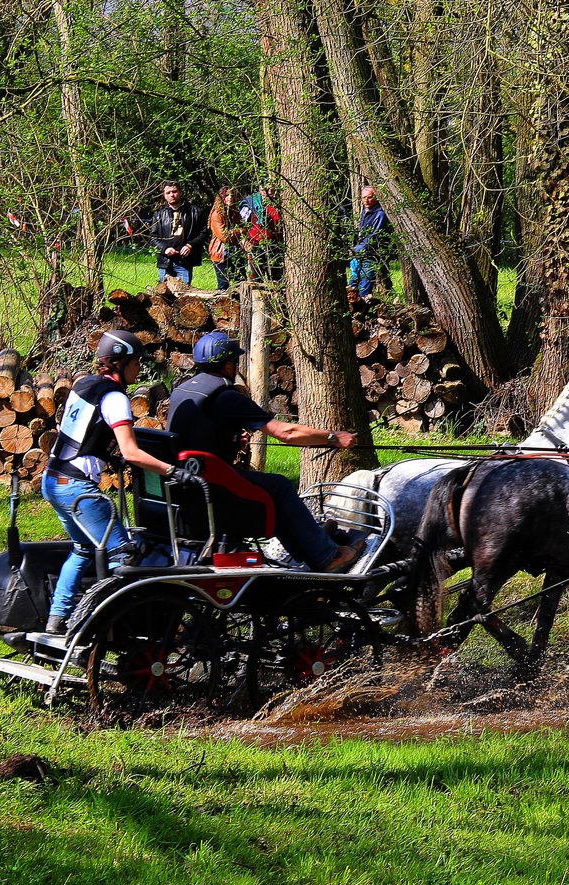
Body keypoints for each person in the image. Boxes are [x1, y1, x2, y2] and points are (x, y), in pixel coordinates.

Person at [165, 331, 360, 573]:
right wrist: (333, 437)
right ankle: (326, 556)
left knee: (268, 491)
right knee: (279, 485)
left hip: (187, 485)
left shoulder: (182, 390)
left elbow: (197, 430)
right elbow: (285, 432)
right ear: (228, 365)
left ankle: (312, 547)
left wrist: (231, 437)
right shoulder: (226, 397)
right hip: (212, 488)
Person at [41, 331, 185, 635]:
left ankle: (56, 620)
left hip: (53, 480)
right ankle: (93, 628)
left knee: (83, 549)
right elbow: (132, 451)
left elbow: (83, 433)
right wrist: (170, 471)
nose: (139, 369)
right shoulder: (116, 398)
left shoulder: (84, 385)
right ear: (119, 363)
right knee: (124, 556)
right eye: (135, 363)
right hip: (77, 489)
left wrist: (108, 457)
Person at [147, 181, 208, 285]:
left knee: (183, 296)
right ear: (164, 195)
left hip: (184, 261)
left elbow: (204, 233)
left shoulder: (195, 212)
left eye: (174, 191)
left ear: (180, 192)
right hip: (165, 261)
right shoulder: (159, 215)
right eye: (168, 193)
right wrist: (164, 249)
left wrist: (190, 245)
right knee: (164, 295)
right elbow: (152, 237)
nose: (172, 195)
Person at [349, 186, 390, 299]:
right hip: (360, 254)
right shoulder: (365, 211)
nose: (366, 201)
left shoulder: (380, 214)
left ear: (376, 198)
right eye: (363, 198)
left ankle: (363, 313)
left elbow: (374, 237)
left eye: (369, 197)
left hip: (371, 255)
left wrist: (356, 249)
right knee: (352, 286)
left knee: (364, 288)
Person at [239, 184, 283, 281]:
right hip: (255, 244)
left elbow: (279, 226)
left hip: (273, 246)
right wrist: (244, 240)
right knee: (256, 277)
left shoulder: (278, 204)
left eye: (272, 190)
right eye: (266, 189)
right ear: (260, 190)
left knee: (275, 277)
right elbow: (241, 224)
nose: (269, 192)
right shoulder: (251, 203)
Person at [207, 187, 241, 290]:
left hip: (235, 252)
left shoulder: (234, 213)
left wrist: (239, 231)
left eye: (232, 195)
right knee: (223, 286)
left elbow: (244, 227)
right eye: (227, 195)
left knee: (239, 283)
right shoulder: (217, 214)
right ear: (221, 197)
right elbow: (224, 237)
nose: (230, 198)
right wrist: (240, 231)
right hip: (220, 253)